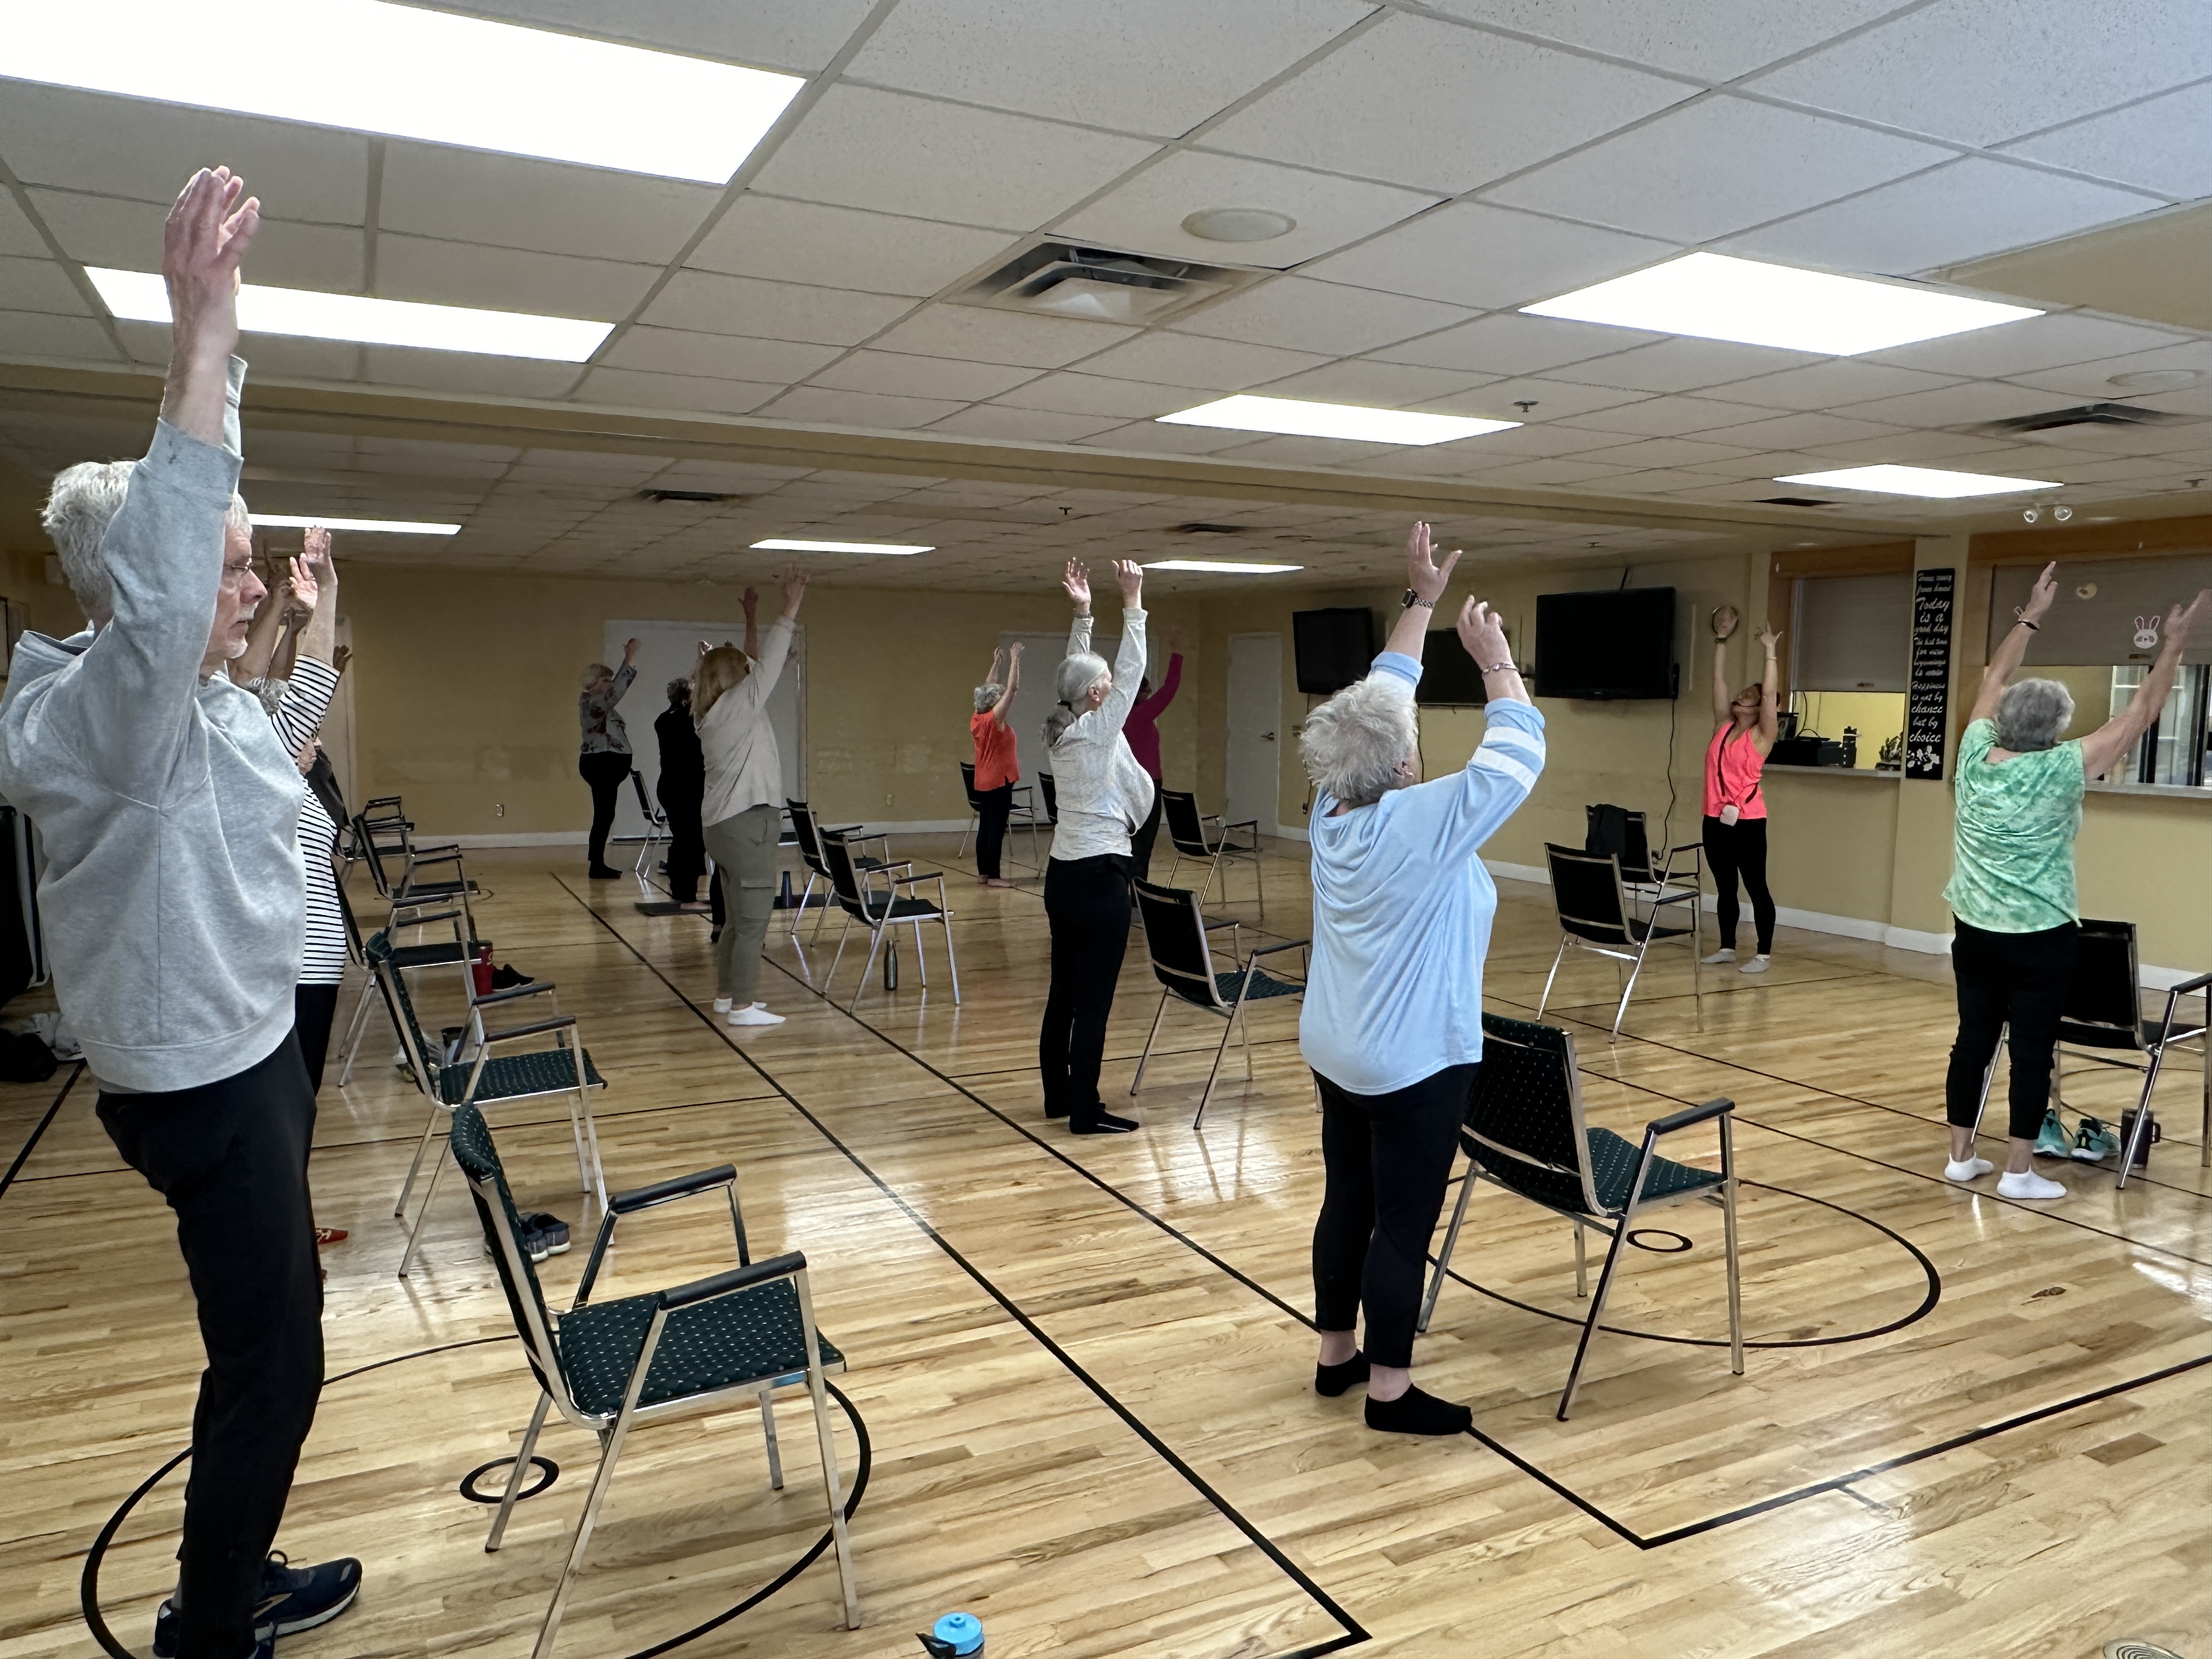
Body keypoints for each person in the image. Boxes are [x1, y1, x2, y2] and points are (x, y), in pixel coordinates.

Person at [0, 166, 358, 1659]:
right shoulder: (111, 718)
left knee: (272, 1354)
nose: (240, 588)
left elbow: (287, 744)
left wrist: (308, 619)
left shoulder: (197, 713)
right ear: (130, 597)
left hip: (244, 1053)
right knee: (275, 1372)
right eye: (220, 570)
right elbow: (168, 590)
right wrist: (198, 346)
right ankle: (212, 1628)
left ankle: (236, 1570)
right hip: (207, 1090)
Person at [1298, 522, 1545, 1436]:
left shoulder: (1330, 804)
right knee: (1400, 1225)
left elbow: (1379, 694)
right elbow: (1515, 753)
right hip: (1408, 1064)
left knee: (1344, 1200)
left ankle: (1335, 1354)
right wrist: (1492, 662)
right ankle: (1389, 1391)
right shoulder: (1422, 823)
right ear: (1401, 762)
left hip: (1336, 1049)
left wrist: (1423, 603)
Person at [1940, 562, 2210, 1200]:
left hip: (1974, 932)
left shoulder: (1974, 756)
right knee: (2031, 1050)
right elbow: (2144, 712)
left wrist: (2032, 613)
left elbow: (1993, 677)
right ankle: (2017, 1172)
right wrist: (2173, 642)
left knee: (1972, 1042)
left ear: (2004, 721)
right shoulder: (2066, 766)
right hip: (2040, 937)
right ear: (2058, 729)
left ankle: (1960, 1157)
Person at [1038, 558, 1152, 1134]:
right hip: (1100, 877)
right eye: (1104, 684)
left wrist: (1083, 613)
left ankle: (1057, 1096)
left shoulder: (1062, 724)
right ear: (1099, 694)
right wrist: (1133, 603)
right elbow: (1131, 671)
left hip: (1062, 876)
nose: (1113, 687)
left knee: (1064, 991)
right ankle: (1085, 1111)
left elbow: (1073, 672)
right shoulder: (1102, 729)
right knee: (1095, 1002)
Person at [699, 567, 806, 1027]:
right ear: (736, 680)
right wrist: (790, 609)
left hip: (721, 827)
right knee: (754, 918)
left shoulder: (715, 709)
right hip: (746, 824)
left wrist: (751, 616)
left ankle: (727, 994)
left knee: (736, 917)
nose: (752, 673)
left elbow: (752, 664)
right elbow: (769, 663)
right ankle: (741, 1005)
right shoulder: (740, 707)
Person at [1701, 607, 1781, 974]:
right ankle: (1727, 946)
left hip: (1748, 821)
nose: (1741, 696)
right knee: (1724, 886)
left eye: (1750, 696)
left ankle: (1763, 953)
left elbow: (1770, 697)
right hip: (1714, 817)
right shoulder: (1722, 725)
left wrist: (1769, 652)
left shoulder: (1761, 736)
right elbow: (1717, 680)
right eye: (1743, 693)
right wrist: (1721, 639)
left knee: (1755, 886)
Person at [578, 637, 639, 879]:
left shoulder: (599, 703)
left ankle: (597, 862)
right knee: (604, 814)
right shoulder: (593, 702)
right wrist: (631, 659)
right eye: (606, 680)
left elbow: (613, 691)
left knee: (605, 813)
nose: (610, 684)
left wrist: (626, 658)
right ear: (594, 683)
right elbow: (616, 691)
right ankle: (597, 864)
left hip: (605, 764)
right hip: (601, 764)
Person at [1122, 639, 1183, 881]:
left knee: (1131, 842)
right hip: (1147, 785)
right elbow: (1170, 688)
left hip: (1129, 782)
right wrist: (1178, 655)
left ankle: (1128, 892)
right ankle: (1138, 895)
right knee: (1142, 843)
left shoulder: (1121, 715)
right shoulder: (1140, 714)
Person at [970, 641, 1024, 888]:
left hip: (983, 782)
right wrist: (1015, 660)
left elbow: (986, 689)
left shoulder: (977, 717)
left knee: (985, 827)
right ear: (994, 705)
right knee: (996, 831)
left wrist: (996, 663)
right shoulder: (994, 721)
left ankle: (984, 873)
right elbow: (1011, 690)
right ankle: (994, 877)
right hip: (999, 782)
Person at [656, 674, 706, 905]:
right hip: (687, 787)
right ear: (688, 698)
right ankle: (685, 891)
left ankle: (679, 888)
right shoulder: (689, 720)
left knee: (683, 837)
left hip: (669, 786)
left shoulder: (664, 719)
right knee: (691, 840)